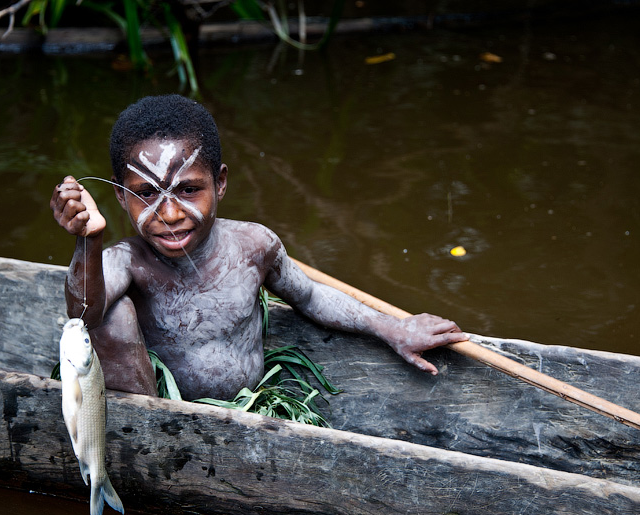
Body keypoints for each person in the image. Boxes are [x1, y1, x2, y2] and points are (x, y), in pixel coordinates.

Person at [50, 94, 467, 401]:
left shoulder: (253, 245)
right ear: (122, 197)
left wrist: (392, 327)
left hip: (255, 406)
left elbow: (310, 295)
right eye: (146, 195)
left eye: (189, 190)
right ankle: (149, 426)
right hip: (167, 415)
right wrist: (88, 241)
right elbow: (82, 316)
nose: (171, 214)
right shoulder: (125, 262)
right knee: (111, 315)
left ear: (221, 183)